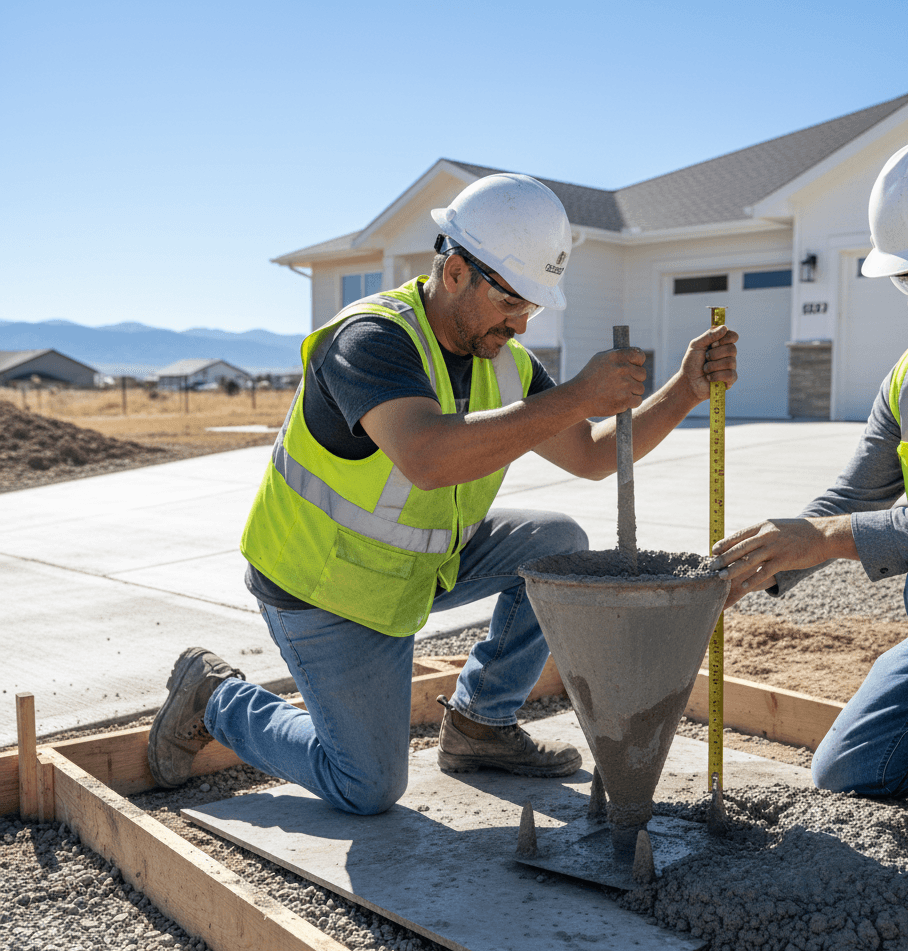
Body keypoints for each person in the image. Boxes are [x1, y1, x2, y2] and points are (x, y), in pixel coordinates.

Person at [147, 172, 739, 816]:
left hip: (415, 568)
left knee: (558, 543)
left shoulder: (504, 360)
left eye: (533, 307)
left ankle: (479, 726)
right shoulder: (370, 340)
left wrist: (684, 390)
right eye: (513, 301)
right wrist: (576, 395)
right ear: (456, 271)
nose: (521, 322)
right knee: (367, 787)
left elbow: (592, 456)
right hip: (324, 587)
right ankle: (215, 698)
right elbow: (426, 456)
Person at [710, 136, 908, 913]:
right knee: (851, 770)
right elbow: (849, 501)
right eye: (905, 283)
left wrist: (831, 539)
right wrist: (763, 561)